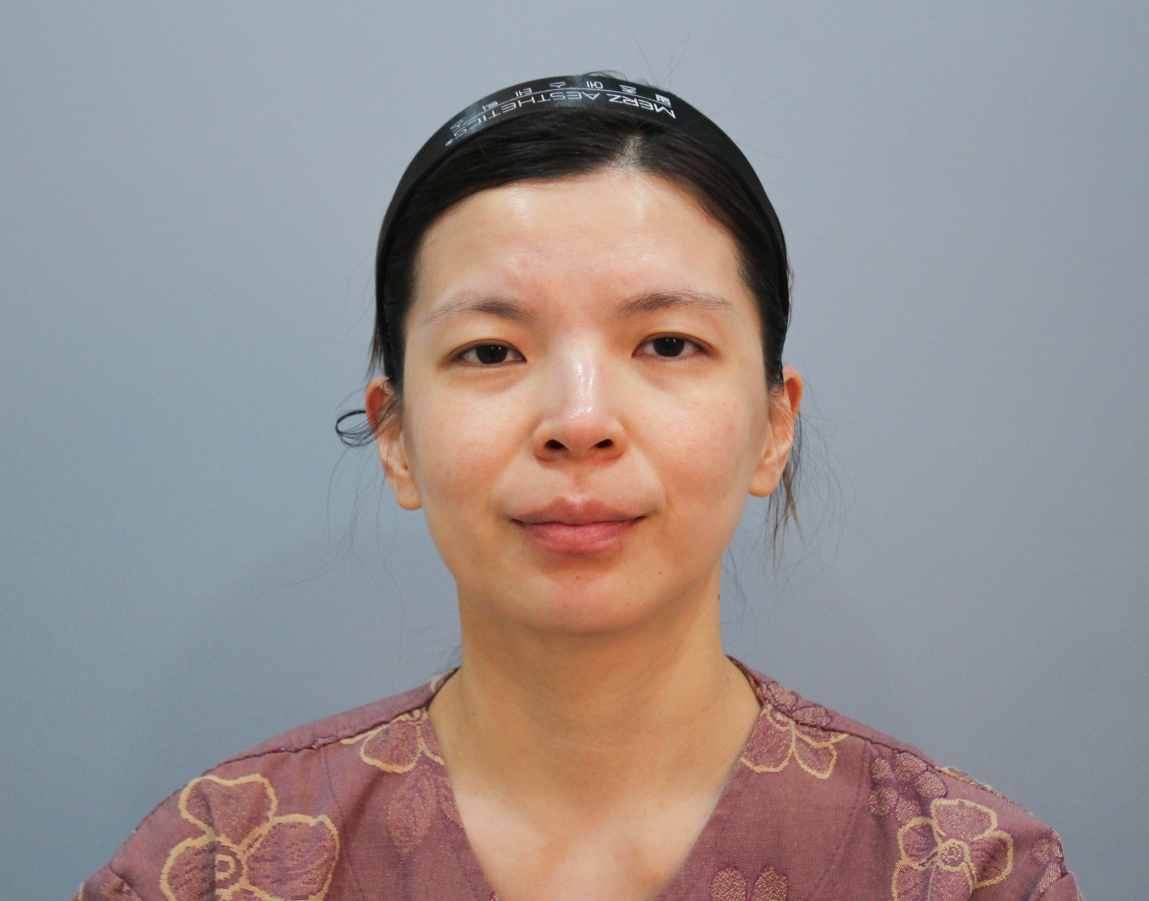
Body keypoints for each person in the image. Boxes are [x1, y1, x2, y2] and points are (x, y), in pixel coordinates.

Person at [78, 74, 1080, 901]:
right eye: (490, 350)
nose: (579, 418)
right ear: (395, 437)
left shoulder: (963, 873)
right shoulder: (218, 866)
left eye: (668, 343)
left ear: (773, 427)